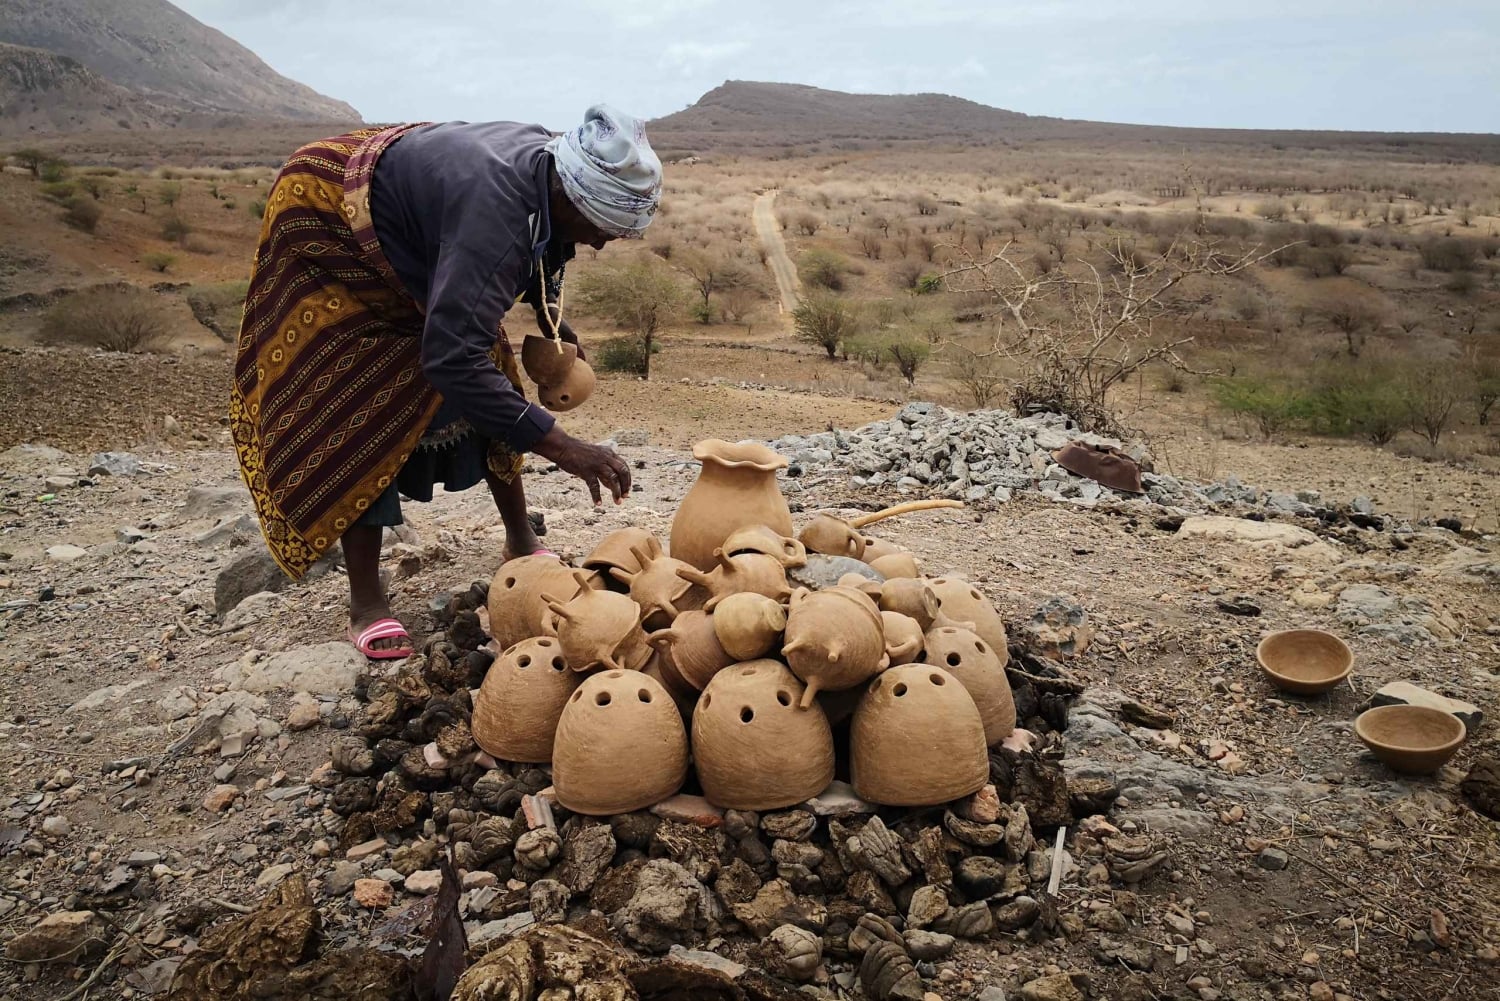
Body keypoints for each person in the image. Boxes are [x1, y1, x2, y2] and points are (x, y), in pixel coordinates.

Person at [230, 105, 660, 658]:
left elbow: (534, 245)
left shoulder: (545, 165)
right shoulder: (494, 216)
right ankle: (365, 601)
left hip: (420, 231)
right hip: (328, 222)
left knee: (491, 373)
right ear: (574, 196)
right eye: (603, 230)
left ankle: (520, 538)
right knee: (362, 402)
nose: (600, 244)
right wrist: (562, 446)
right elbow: (452, 357)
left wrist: (554, 323)